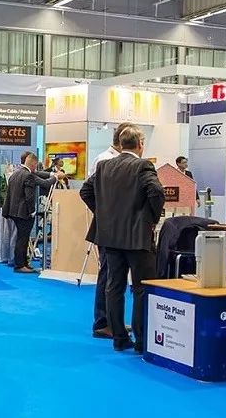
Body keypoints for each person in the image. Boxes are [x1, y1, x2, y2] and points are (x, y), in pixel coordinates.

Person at [79, 125, 165, 353]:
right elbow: (157, 192)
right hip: (137, 238)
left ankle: (119, 338)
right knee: (140, 288)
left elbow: (85, 191)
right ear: (140, 145)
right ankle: (141, 340)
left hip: (109, 237)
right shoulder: (143, 165)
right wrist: (151, 219)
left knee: (114, 287)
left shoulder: (104, 166)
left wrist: (104, 214)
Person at [87, 123, 131, 340]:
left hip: (117, 227)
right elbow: (89, 191)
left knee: (114, 275)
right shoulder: (104, 159)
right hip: (108, 227)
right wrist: (103, 213)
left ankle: (114, 321)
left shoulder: (116, 159)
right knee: (108, 274)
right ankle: (103, 322)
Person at [3, 151, 62, 273]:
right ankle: (20, 265)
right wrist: (32, 211)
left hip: (14, 212)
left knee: (21, 238)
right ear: (34, 164)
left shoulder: (16, 173)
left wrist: (52, 174)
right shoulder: (28, 176)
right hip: (24, 213)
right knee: (22, 239)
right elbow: (30, 196)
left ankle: (23, 263)